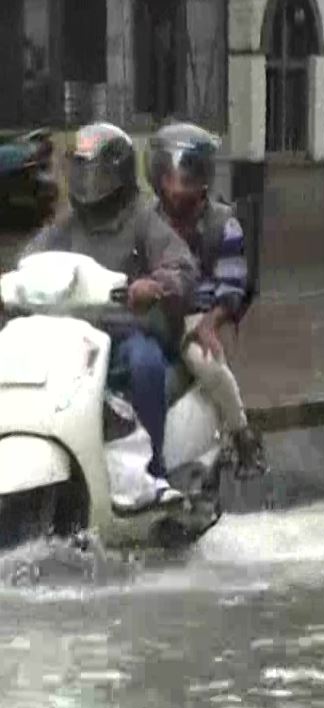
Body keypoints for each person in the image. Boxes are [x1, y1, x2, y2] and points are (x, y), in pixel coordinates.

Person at [19, 122, 198, 505]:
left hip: (127, 335)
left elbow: (181, 266)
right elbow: (30, 259)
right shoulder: (69, 225)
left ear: (118, 173)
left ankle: (155, 473)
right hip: (75, 339)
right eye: (81, 171)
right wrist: (13, 282)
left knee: (144, 363)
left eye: (97, 172)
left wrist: (156, 285)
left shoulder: (143, 219)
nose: (88, 182)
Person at [145, 122, 266, 477]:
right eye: (168, 177)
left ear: (202, 179)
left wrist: (210, 324)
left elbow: (232, 284)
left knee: (206, 361)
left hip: (197, 315)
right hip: (152, 313)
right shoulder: (147, 221)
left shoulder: (223, 224)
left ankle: (243, 434)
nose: (175, 187)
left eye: (184, 178)